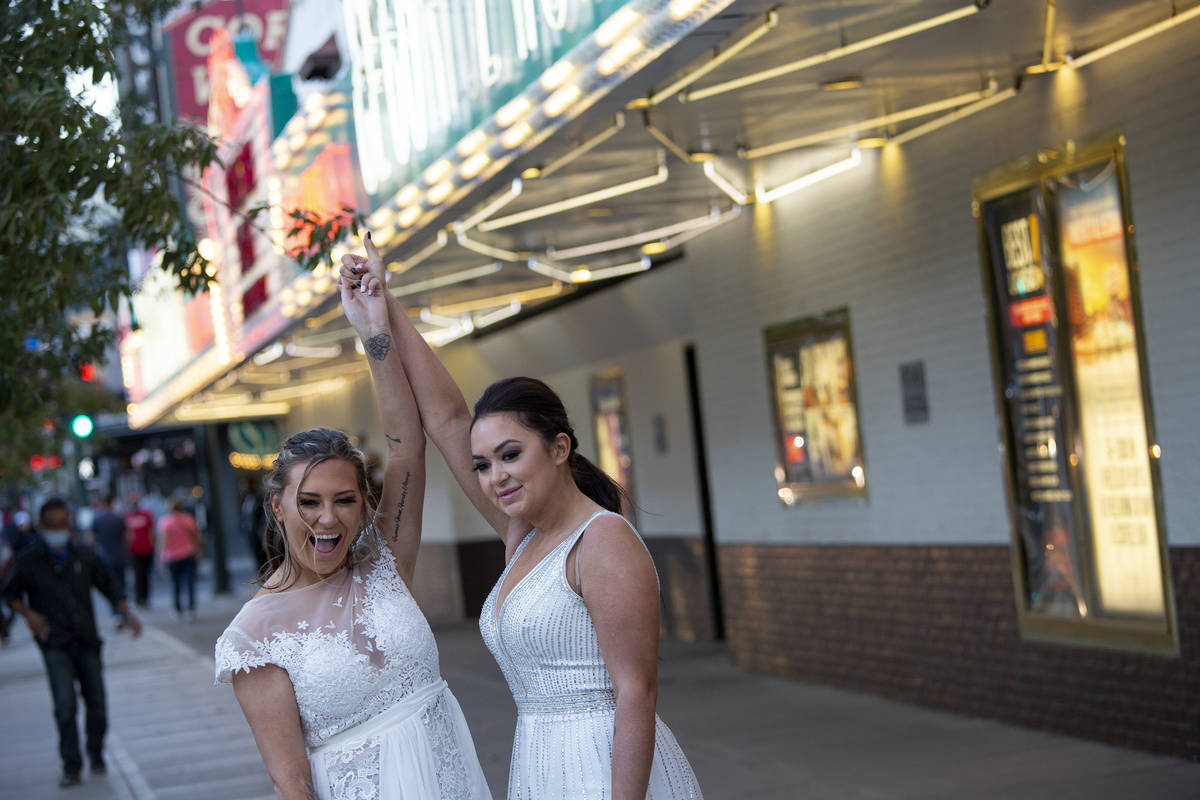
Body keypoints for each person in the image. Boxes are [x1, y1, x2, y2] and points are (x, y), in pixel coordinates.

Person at [342, 236, 703, 799]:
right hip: (538, 765)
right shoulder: (524, 536)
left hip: (604, 769)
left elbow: (638, 692)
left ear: (559, 448)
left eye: (512, 455)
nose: (496, 476)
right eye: (483, 464)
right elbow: (447, 417)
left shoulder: (602, 540)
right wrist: (382, 310)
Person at [214, 267, 492, 799]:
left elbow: (408, 446)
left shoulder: (383, 561)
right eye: (309, 502)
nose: (328, 518)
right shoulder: (254, 636)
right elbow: (291, 783)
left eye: (345, 500)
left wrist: (375, 335)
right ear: (277, 507)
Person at [2, 498, 142, 788]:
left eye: (63, 524)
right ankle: (71, 765)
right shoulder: (29, 559)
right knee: (64, 705)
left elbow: (108, 583)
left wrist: (128, 613)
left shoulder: (83, 553)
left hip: (86, 639)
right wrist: (28, 615)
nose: (58, 530)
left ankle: (96, 752)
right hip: (53, 641)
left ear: (69, 523)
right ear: (41, 527)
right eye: (52, 526)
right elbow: (10, 594)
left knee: (97, 703)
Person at [157, 498, 202, 621]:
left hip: (172, 556)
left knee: (175, 583)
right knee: (190, 582)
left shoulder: (165, 521)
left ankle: (177, 609)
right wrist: (199, 551)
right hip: (188, 553)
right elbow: (196, 536)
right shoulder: (189, 519)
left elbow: (164, 541)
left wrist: (161, 558)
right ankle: (191, 609)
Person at [89, 495, 128, 601]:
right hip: (119, 556)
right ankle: (123, 603)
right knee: (121, 583)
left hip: (105, 557)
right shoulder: (119, 519)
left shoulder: (97, 520)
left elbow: (92, 540)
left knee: (111, 584)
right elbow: (127, 538)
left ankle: (116, 609)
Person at [124, 496, 155, 608]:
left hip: (147, 549)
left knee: (146, 574)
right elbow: (127, 534)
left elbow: (151, 531)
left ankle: (145, 598)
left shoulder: (146, 515)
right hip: (134, 551)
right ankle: (139, 598)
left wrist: (152, 545)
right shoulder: (127, 516)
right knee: (138, 575)